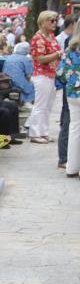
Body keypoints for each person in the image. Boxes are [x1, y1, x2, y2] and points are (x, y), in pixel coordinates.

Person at [28, 11, 62, 143]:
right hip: (42, 75)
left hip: (51, 75)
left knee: (48, 106)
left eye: (55, 20)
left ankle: (44, 132)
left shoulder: (51, 36)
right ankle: (35, 133)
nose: (55, 23)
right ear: (42, 22)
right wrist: (58, 54)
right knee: (40, 105)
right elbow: (40, 58)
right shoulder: (38, 38)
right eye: (51, 20)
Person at [57, 26, 80, 178]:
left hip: (73, 92)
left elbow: (60, 72)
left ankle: (71, 167)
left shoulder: (70, 49)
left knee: (75, 129)